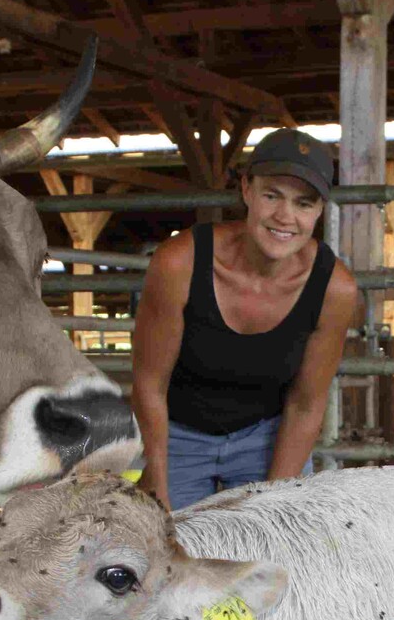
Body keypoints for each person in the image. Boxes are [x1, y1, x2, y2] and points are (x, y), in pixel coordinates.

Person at [132, 128, 358, 511]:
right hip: (178, 435)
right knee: (164, 550)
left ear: (320, 210)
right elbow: (150, 383)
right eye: (272, 196)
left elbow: (306, 403)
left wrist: (275, 503)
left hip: (267, 437)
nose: (285, 217)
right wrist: (156, 480)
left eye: (304, 204)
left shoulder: (335, 288)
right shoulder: (180, 261)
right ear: (247, 189)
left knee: (275, 551)